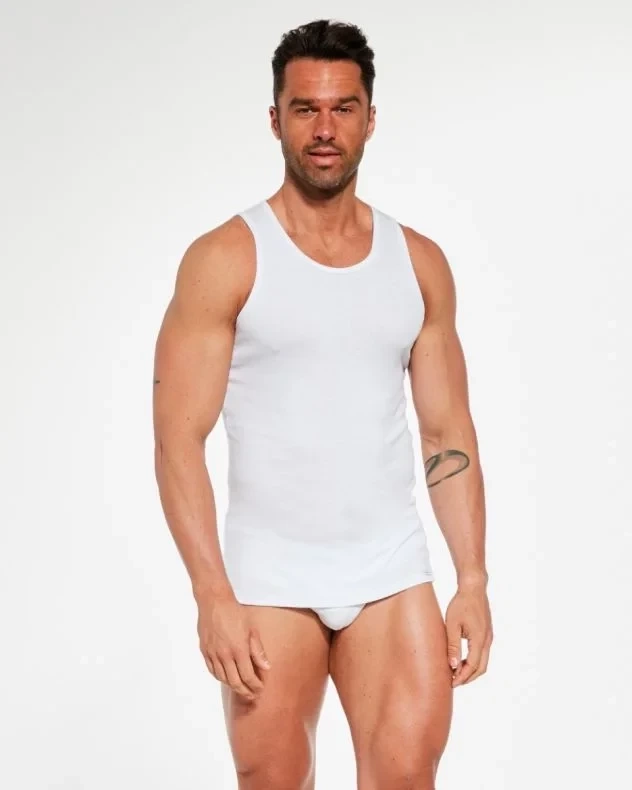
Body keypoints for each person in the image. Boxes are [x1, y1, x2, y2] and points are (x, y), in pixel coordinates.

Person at [152, 17, 493, 790]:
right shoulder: (225, 259)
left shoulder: (418, 264)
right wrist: (212, 593)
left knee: (406, 777)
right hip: (269, 575)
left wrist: (471, 578)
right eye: (306, 109)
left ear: (371, 118)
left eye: (343, 108)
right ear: (276, 119)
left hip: (390, 569)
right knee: (273, 781)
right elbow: (178, 440)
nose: (325, 129)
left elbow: (446, 432)